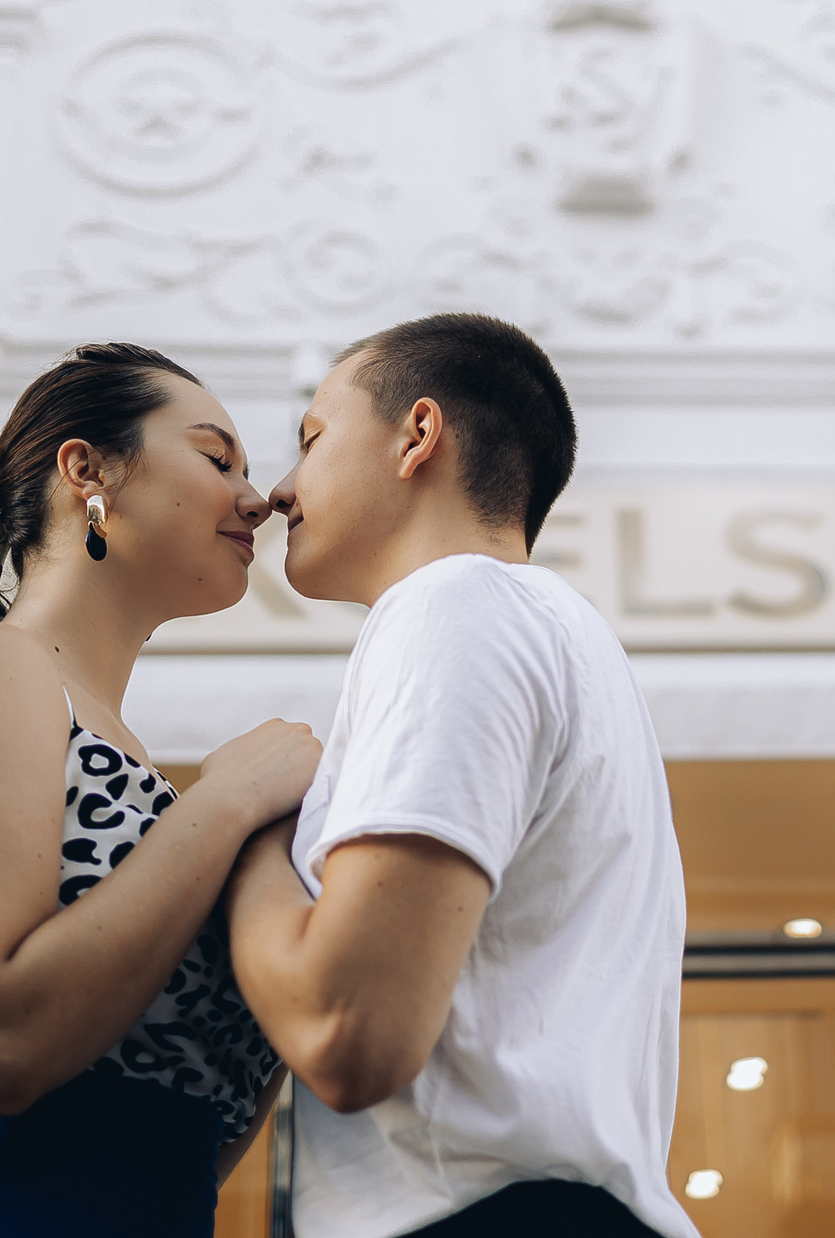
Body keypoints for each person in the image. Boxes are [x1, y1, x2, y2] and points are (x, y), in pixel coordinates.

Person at [0, 343, 322, 1238]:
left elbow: (193, 1126)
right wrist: (224, 803)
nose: (257, 495)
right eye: (215, 457)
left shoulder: (143, 784)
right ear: (88, 470)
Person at [224, 313, 700, 1238]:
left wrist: (246, 834)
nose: (278, 490)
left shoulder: (454, 606)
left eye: (311, 440)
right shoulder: (564, 633)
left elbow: (347, 1031)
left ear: (418, 435)